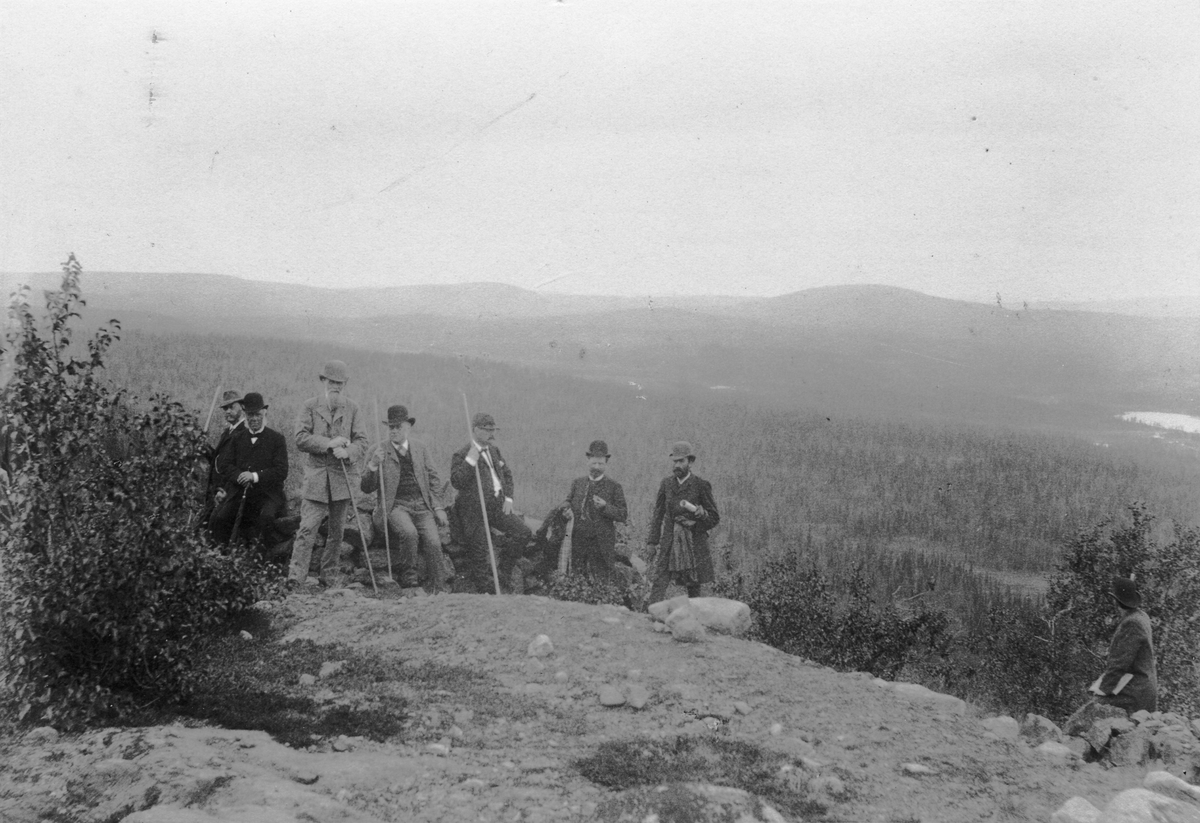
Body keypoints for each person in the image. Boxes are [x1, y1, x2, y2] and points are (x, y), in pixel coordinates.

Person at [288, 359, 370, 589]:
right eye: (332, 381)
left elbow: (362, 441)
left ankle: (329, 574)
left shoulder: (353, 408)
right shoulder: (309, 406)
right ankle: (296, 576)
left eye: (340, 383)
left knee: (337, 531)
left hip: (343, 477)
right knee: (307, 528)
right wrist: (328, 443)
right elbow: (300, 438)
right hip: (316, 479)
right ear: (323, 381)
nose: (336, 386)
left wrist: (349, 451)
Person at [361, 404, 449, 593]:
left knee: (434, 542)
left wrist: (439, 507)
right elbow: (366, 487)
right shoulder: (377, 450)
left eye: (398, 427)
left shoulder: (420, 448)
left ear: (408, 427)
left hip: (422, 505)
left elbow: (434, 478)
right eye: (390, 427)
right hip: (396, 506)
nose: (393, 431)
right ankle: (410, 579)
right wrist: (373, 465)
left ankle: (439, 588)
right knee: (409, 533)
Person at [450, 412, 532, 593]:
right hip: (473, 510)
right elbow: (457, 481)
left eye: (492, 430)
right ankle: (485, 590)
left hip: (497, 506)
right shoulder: (462, 454)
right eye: (487, 430)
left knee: (523, 533)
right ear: (476, 430)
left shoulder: (494, 451)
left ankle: (504, 571)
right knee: (478, 550)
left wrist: (509, 498)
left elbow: (507, 475)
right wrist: (470, 460)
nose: (491, 433)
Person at [209, 392, 288, 548]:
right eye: (250, 414)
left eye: (257, 414)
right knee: (220, 518)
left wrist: (254, 476)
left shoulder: (277, 439)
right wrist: (240, 476)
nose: (254, 419)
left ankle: (263, 560)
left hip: (268, 494)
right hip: (240, 491)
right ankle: (221, 557)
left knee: (266, 518)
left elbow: (281, 471)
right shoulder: (237, 439)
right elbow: (226, 465)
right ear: (245, 415)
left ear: (264, 413)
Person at [646, 440, 720, 604]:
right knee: (659, 580)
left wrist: (697, 522)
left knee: (693, 585)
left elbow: (714, 517)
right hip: (669, 540)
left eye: (681, 461)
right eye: (675, 461)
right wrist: (652, 542)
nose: (677, 465)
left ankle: (693, 621)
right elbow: (658, 514)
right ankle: (650, 617)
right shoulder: (666, 484)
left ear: (690, 462)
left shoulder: (700, 485)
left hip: (693, 542)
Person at [560, 440, 627, 583]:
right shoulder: (578, 483)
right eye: (594, 463)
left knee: (601, 581)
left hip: (601, 543)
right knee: (577, 577)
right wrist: (566, 509)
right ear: (588, 461)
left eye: (600, 464)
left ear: (606, 463)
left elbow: (623, 514)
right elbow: (568, 500)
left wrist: (605, 507)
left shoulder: (614, 487)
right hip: (578, 540)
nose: (596, 467)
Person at [1088, 577, 1158, 713]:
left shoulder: (1132, 623)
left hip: (1136, 692)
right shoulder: (1141, 616)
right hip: (1141, 686)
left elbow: (1119, 664)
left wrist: (1102, 691)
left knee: (1093, 708)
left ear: (1115, 601)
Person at [198, 390, 245, 528]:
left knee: (214, 529)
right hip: (216, 490)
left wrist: (225, 490)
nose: (228, 411)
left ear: (242, 407)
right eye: (225, 408)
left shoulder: (243, 434)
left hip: (227, 492)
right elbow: (220, 460)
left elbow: (237, 466)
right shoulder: (228, 432)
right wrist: (204, 448)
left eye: (231, 407)